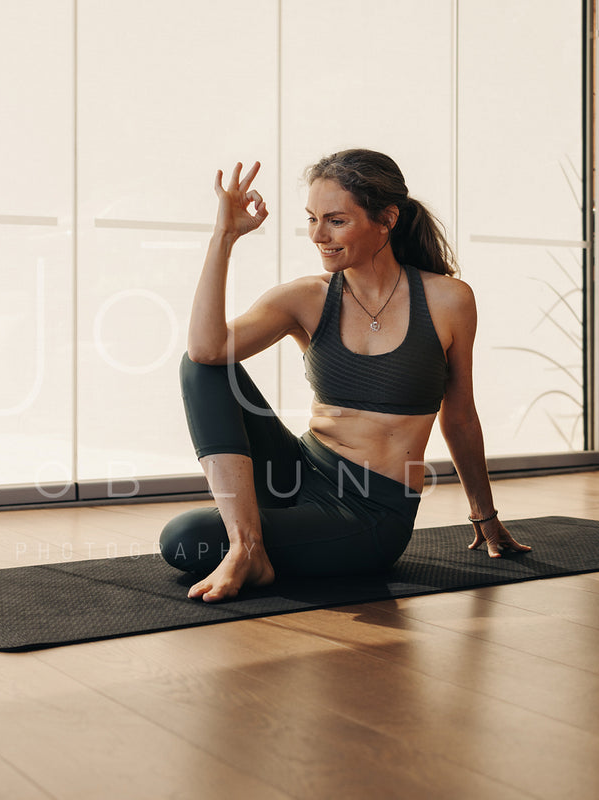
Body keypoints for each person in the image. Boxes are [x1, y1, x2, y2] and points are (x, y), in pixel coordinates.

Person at [160, 149, 531, 602]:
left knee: (187, 537)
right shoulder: (307, 297)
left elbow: (460, 416)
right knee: (200, 367)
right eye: (312, 218)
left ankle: (252, 546)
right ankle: (247, 546)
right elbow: (207, 348)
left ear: (386, 219)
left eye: (336, 220)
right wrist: (225, 235)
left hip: (370, 511)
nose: (318, 235)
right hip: (297, 471)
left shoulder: (448, 300)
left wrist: (484, 516)